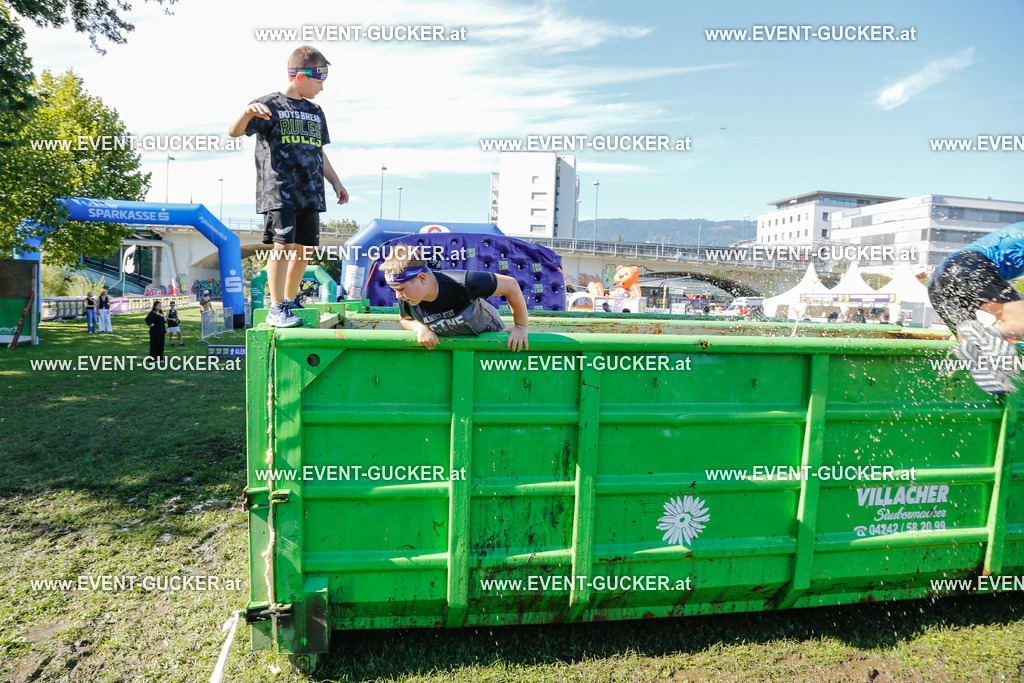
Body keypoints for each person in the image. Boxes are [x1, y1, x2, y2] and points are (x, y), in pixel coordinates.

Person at [228, 45, 348, 328]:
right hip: (279, 189)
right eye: (319, 81)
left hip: (311, 190)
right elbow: (233, 131)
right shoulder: (268, 105)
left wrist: (335, 181)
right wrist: (246, 112)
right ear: (301, 77)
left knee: (305, 249)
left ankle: (290, 301)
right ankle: (276, 306)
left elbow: (319, 151)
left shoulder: (316, 111)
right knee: (283, 247)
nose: (322, 88)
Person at [928, 221, 1024, 394]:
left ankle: (992, 376)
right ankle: (988, 334)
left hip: (939, 278)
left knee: (970, 343)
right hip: (972, 266)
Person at [382, 249, 529, 351]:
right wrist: (420, 328)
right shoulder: (408, 298)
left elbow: (511, 285)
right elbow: (404, 318)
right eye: (394, 289)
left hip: (490, 336)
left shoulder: (462, 282)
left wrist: (521, 327)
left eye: (400, 288)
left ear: (422, 278)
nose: (397, 296)